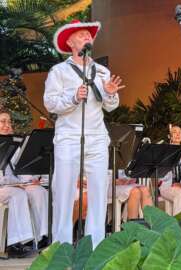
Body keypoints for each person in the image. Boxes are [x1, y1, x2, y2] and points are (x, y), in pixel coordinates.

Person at [44, 20, 125, 247]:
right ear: (70, 42)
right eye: (81, 35)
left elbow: (110, 105)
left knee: (99, 193)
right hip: (68, 136)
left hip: (97, 137)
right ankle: (61, 247)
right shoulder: (58, 71)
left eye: (88, 35)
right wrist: (72, 97)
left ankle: (95, 246)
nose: (87, 38)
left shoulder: (102, 71)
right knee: (64, 192)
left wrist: (109, 93)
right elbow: (50, 103)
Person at [0, 109, 48, 257]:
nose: (7, 125)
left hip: (14, 184)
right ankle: (18, 243)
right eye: (3, 121)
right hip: (4, 186)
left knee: (39, 191)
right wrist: (14, 184)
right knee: (18, 194)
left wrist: (29, 181)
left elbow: (19, 168)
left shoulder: (14, 143)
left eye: (9, 121)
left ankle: (43, 238)